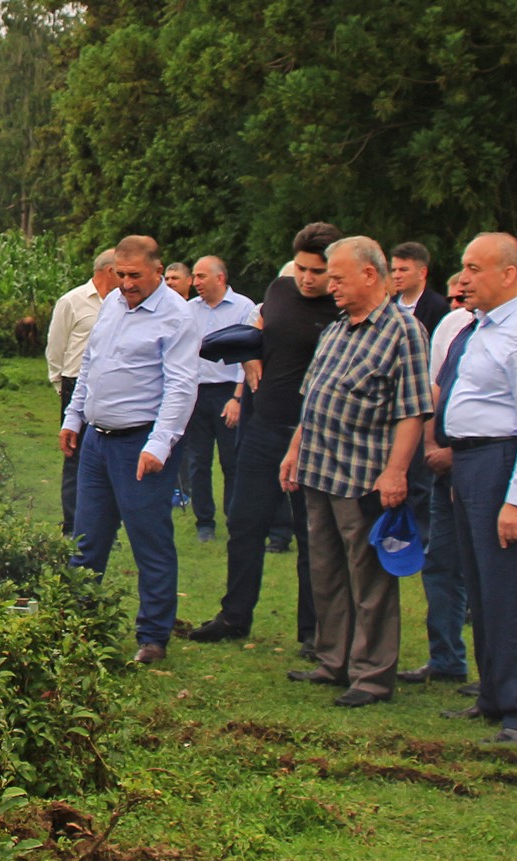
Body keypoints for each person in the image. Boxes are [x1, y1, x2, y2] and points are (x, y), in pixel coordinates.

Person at [280, 236, 432, 708]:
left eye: (338, 278)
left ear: (369, 274)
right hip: (319, 468)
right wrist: (294, 451)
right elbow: (313, 398)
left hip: (364, 475)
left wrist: (396, 472)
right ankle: (333, 659)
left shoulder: (403, 332)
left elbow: (412, 411)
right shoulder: (336, 330)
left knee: (369, 578)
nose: (331, 287)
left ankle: (372, 674)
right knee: (325, 570)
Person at [433, 233, 517, 748]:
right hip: (470, 463)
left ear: (508, 274)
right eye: (463, 267)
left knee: (504, 589)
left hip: (501, 462)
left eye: (474, 268)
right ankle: (493, 694)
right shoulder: (482, 328)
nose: (463, 279)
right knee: (481, 587)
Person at [190, 222, 341, 649]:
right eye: (302, 269)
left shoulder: (342, 306)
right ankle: (234, 615)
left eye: (318, 272)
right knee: (244, 522)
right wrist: (251, 354)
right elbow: (261, 327)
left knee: (312, 536)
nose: (307, 279)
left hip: (314, 434)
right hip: (264, 425)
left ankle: (313, 631)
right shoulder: (279, 290)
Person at [61, 235, 202, 664]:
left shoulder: (177, 317)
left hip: (140, 444)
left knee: (149, 540)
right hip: (96, 442)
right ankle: (76, 623)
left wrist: (159, 444)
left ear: (158, 270)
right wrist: (73, 417)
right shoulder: (113, 305)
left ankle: (153, 636)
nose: (126, 283)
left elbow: (181, 386)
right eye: (120, 275)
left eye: (135, 275)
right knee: (85, 538)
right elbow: (90, 365)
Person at [399, 273, 473, 688]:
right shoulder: (454, 326)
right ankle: (446, 658)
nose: (460, 291)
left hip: (485, 463)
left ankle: (498, 673)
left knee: (486, 569)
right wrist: (429, 444)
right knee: (440, 562)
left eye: (473, 274)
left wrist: (459, 454)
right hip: (442, 461)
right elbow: (434, 387)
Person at [179, 256, 256, 544]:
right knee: (198, 460)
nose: (195, 282)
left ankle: (236, 518)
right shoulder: (189, 310)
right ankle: (204, 522)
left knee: (231, 460)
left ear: (220, 278)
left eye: (201, 276)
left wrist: (237, 397)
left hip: (228, 391)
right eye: (195, 277)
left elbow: (248, 355)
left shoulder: (243, 307)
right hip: (197, 392)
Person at [46, 249, 119, 536]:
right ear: (110, 271)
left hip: (110, 386)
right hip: (76, 383)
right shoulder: (72, 301)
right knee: (75, 455)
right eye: (122, 271)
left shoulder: (121, 304)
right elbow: (56, 347)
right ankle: (73, 525)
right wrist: (60, 385)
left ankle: (104, 526)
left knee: (108, 454)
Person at [390, 242, 448, 338]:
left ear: (422, 273)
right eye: (393, 270)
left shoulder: (438, 307)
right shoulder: (389, 304)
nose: (396, 276)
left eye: (403, 270)